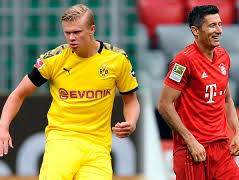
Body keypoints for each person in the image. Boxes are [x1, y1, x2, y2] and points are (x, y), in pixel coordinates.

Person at [0, 4, 140, 180]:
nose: (71, 38)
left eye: (77, 32)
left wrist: (131, 122)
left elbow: (131, 101)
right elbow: (18, 94)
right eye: (67, 33)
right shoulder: (54, 60)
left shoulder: (117, 60)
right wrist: (3, 126)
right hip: (62, 142)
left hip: (98, 148)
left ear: (92, 29)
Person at [157, 5, 239, 180]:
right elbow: (164, 104)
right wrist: (190, 141)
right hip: (193, 150)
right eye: (212, 26)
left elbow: (226, 98)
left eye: (220, 24)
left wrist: (238, 132)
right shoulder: (184, 61)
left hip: (221, 148)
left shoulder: (223, 56)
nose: (219, 30)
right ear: (195, 31)